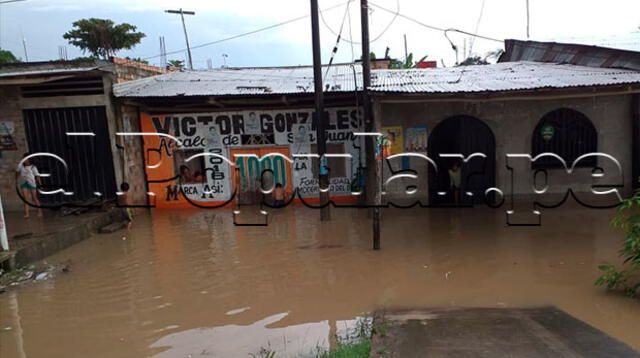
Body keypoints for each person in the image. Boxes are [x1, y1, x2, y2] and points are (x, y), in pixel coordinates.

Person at [15, 153, 42, 218]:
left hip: (32, 183)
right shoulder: (21, 166)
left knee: (34, 198)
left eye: (25, 158)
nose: (23, 159)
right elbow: (17, 172)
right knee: (25, 199)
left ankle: (39, 212)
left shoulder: (33, 167)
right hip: (24, 183)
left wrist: (40, 183)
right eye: (23, 158)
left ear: (29, 159)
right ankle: (27, 214)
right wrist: (16, 180)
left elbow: (37, 176)